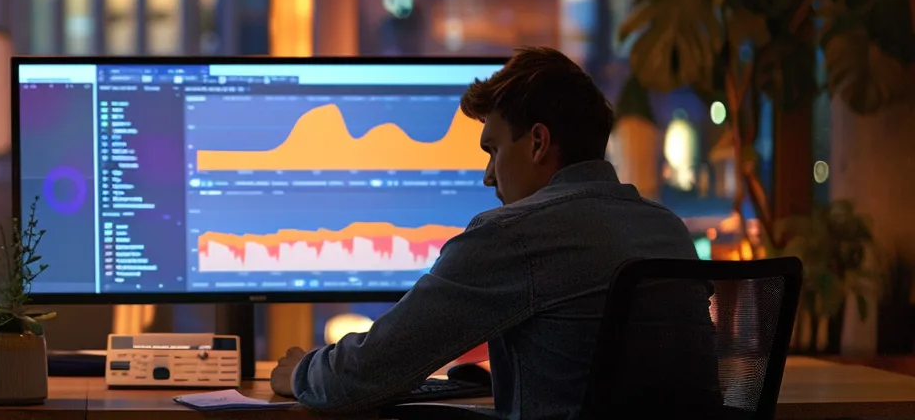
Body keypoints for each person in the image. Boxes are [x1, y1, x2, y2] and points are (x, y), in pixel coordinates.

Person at [270, 47, 715, 419]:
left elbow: (364, 374)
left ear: (538, 143)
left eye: (494, 149)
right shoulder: (667, 229)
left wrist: (299, 373)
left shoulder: (514, 235)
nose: (487, 176)